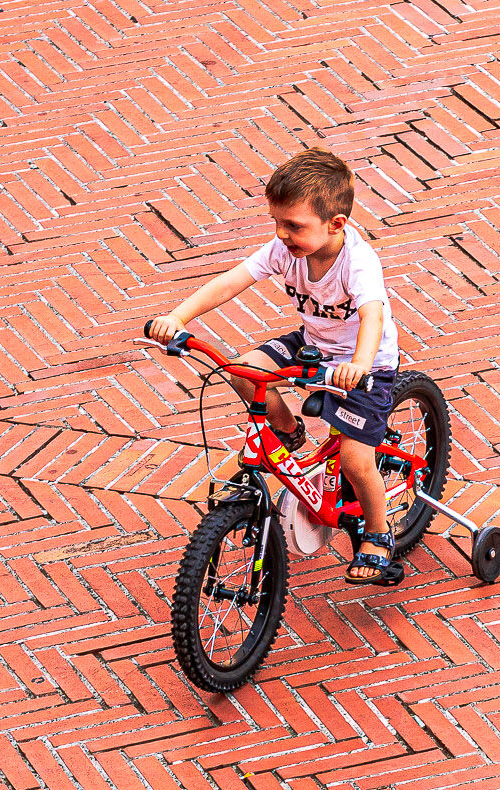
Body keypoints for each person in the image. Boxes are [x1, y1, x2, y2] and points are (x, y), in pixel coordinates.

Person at [146, 148, 407, 587]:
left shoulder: (358, 263)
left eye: (293, 226)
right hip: (312, 343)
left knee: (354, 459)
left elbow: (373, 316)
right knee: (243, 370)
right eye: (277, 222)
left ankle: (378, 537)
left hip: (365, 363)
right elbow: (232, 280)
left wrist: (359, 365)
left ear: (336, 225)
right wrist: (178, 317)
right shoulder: (286, 250)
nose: (281, 234)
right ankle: (288, 433)